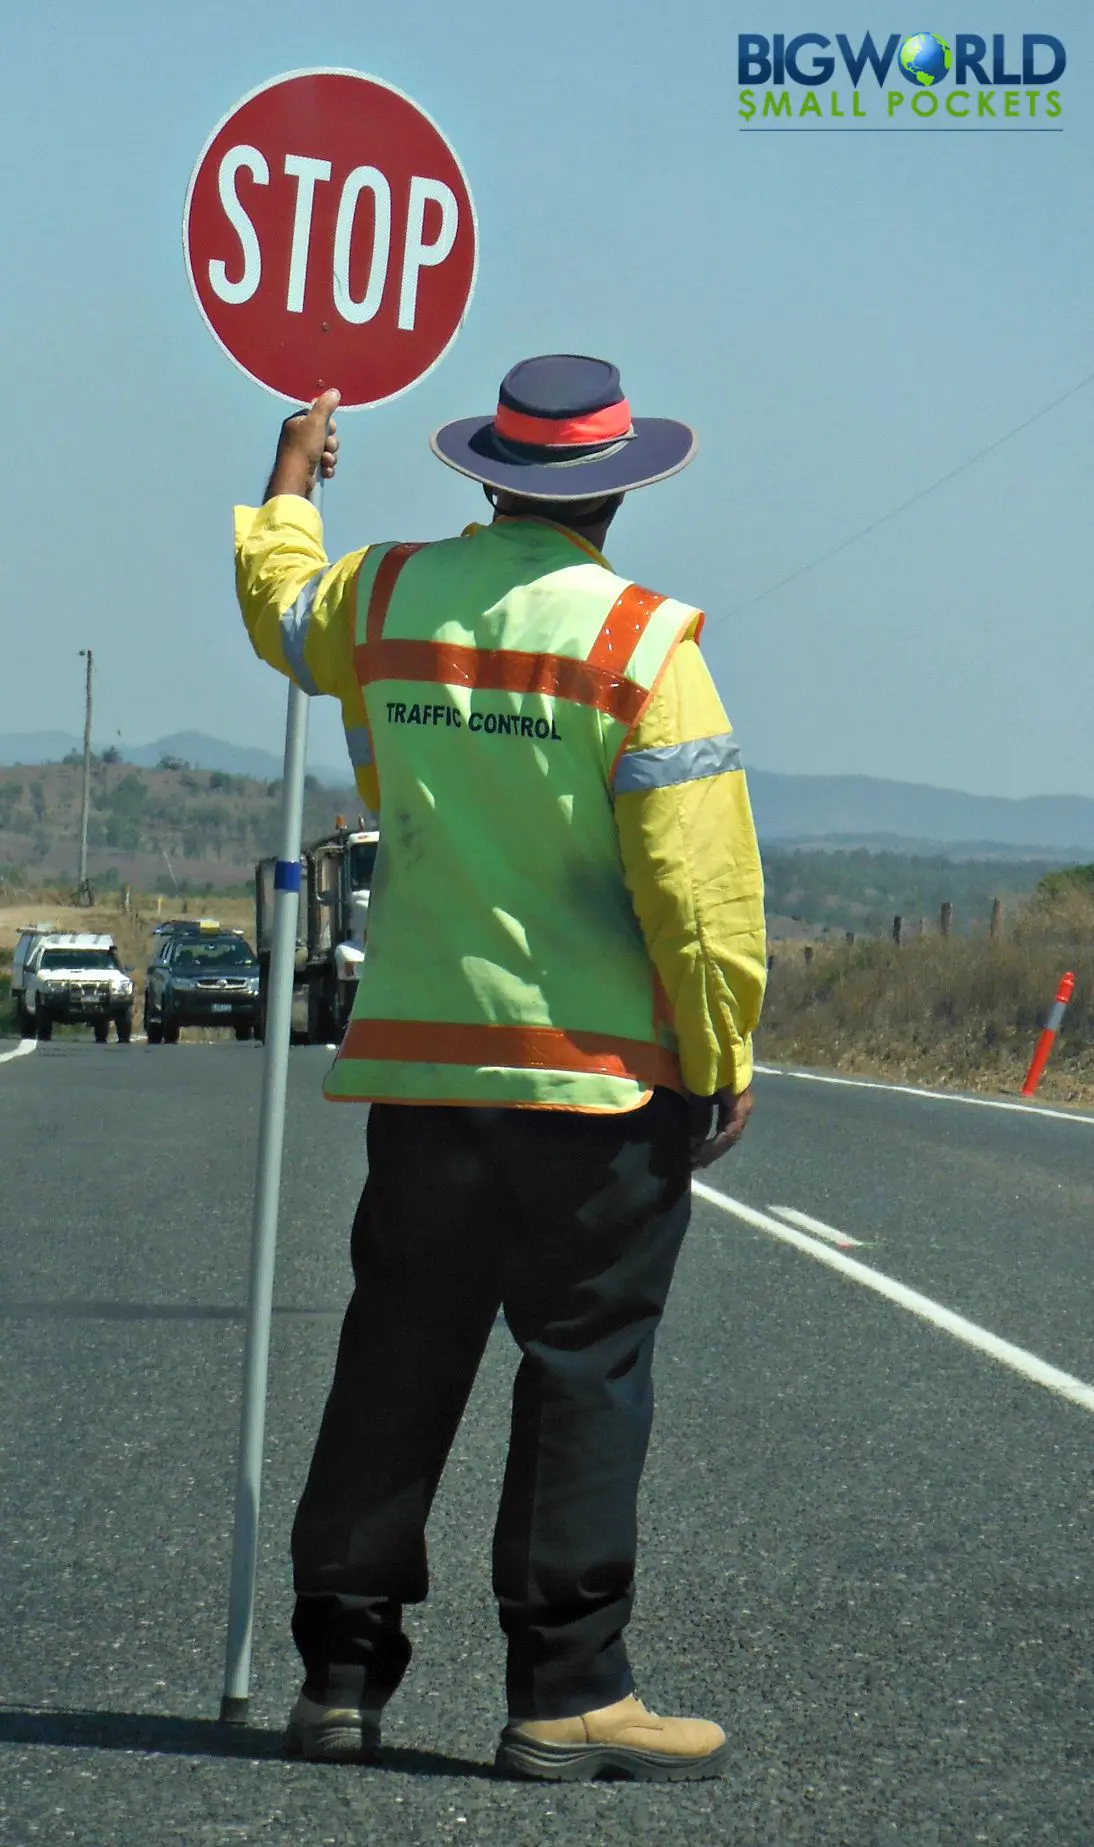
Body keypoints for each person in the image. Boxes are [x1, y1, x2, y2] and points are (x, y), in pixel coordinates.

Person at [234, 354, 766, 1782]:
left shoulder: (386, 597)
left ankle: (340, 1678)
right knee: (584, 1372)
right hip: (595, 1088)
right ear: (619, 489)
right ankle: (566, 1693)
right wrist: (720, 1050)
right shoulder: (645, 643)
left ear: (489, 475)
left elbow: (282, 608)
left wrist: (288, 482)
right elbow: (696, 891)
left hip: (422, 1076)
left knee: (394, 1360)